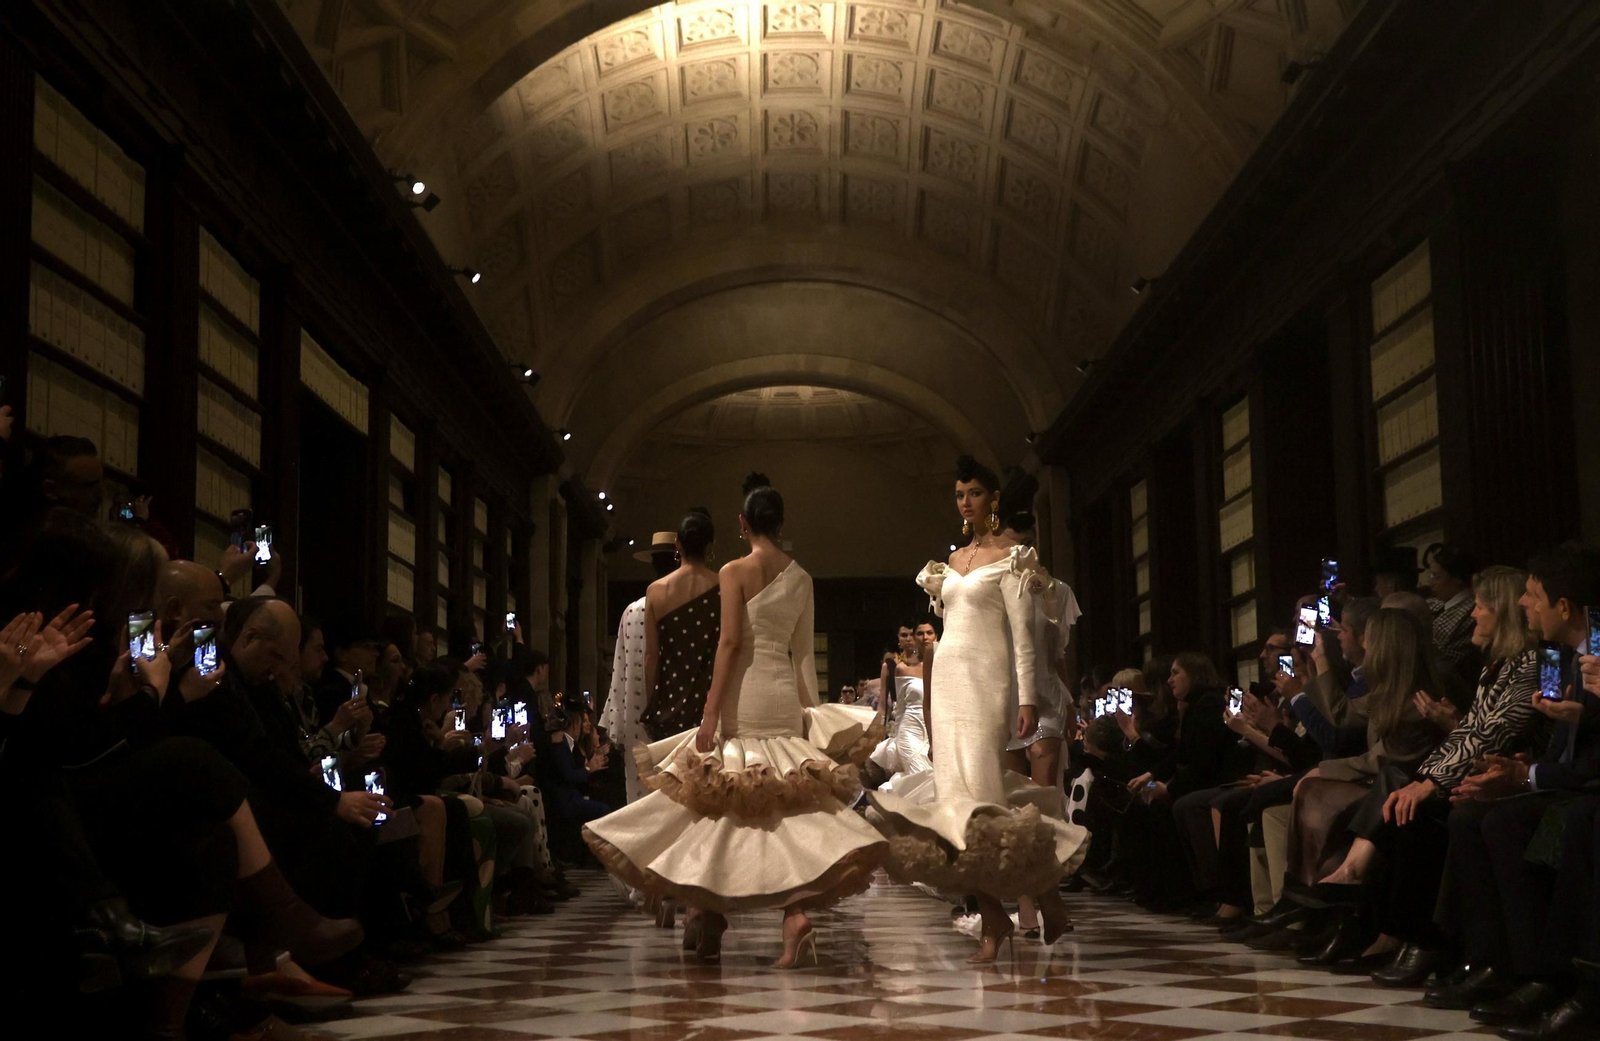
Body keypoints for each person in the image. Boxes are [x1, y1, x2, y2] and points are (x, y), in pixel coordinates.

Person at [585, 474, 888, 968]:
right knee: (786, 806)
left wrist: (709, 712)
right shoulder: (804, 577)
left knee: (722, 807)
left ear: (742, 524)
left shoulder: (733, 571)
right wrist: (811, 712)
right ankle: (790, 916)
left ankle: (708, 912)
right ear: (782, 523)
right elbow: (804, 656)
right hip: (784, 698)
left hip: (743, 695)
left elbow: (728, 645)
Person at [868, 456, 1086, 962]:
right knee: (964, 795)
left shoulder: (1013, 558)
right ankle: (1016, 913)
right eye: (960, 494)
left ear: (992, 500)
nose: (966, 502)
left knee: (981, 795)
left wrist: (1027, 698)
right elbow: (944, 634)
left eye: (975, 493)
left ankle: (1020, 911)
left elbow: (1025, 641)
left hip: (990, 681)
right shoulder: (950, 563)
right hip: (947, 678)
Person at [1427, 543, 1600, 1031]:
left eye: (1533, 595)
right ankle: (1497, 964)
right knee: (1472, 815)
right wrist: (1519, 765)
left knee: (1509, 819)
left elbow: (1587, 743)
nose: (1524, 605)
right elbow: (1553, 731)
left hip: (1581, 785)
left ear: (1563, 606)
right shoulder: (1553, 653)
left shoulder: (1599, 646)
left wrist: (1527, 775)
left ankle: (1548, 976)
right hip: (1564, 775)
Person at [602, 531, 675, 803]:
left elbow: (619, 669)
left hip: (636, 717)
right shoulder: (681, 607)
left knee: (639, 795)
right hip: (677, 713)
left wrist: (617, 721)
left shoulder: (632, 610)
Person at [636, 510, 719, 743]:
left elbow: (652, 656)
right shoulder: (723, 586)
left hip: (668, 704)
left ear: (677, 544)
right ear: (710, 546)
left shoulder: (656, 591)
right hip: (711, 704)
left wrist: (651, 702)